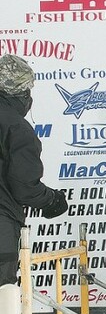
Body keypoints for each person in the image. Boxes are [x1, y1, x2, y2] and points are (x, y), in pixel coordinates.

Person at [0, 54, 68, 287]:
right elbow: (24, 185)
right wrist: (52, 201)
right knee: (4, 309)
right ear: (21, 92)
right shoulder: (16, 127)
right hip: (2, 233)